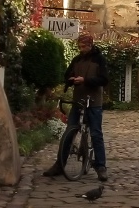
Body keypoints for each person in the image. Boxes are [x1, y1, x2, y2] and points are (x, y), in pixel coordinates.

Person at [43, 34, 109, 182]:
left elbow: (104, 79)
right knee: (69, 132)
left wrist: (86, 80)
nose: (82, 49)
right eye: (80, 47)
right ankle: (60, 164)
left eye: (84, 46)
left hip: (93, 102)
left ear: (91, 45)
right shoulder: (77, 60)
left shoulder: (99, 59)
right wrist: (70, 80)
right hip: (78, 101)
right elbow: (67, 75)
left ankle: (101, 167)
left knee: (96, 134)